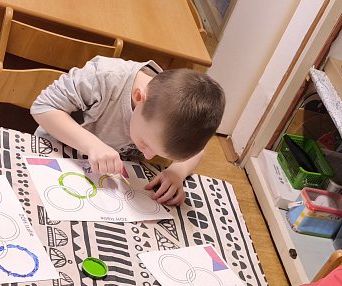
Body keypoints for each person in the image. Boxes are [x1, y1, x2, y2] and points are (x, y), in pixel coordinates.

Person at [30, 57, 225, 206]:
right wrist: (92, 145)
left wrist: (177, 171)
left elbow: (198, 149)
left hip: (103, 184)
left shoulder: (177, 115)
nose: (147, 156)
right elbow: (42, 107)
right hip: (49, 159)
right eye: (146, 143)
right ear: (139, 98)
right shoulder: (105, 77)